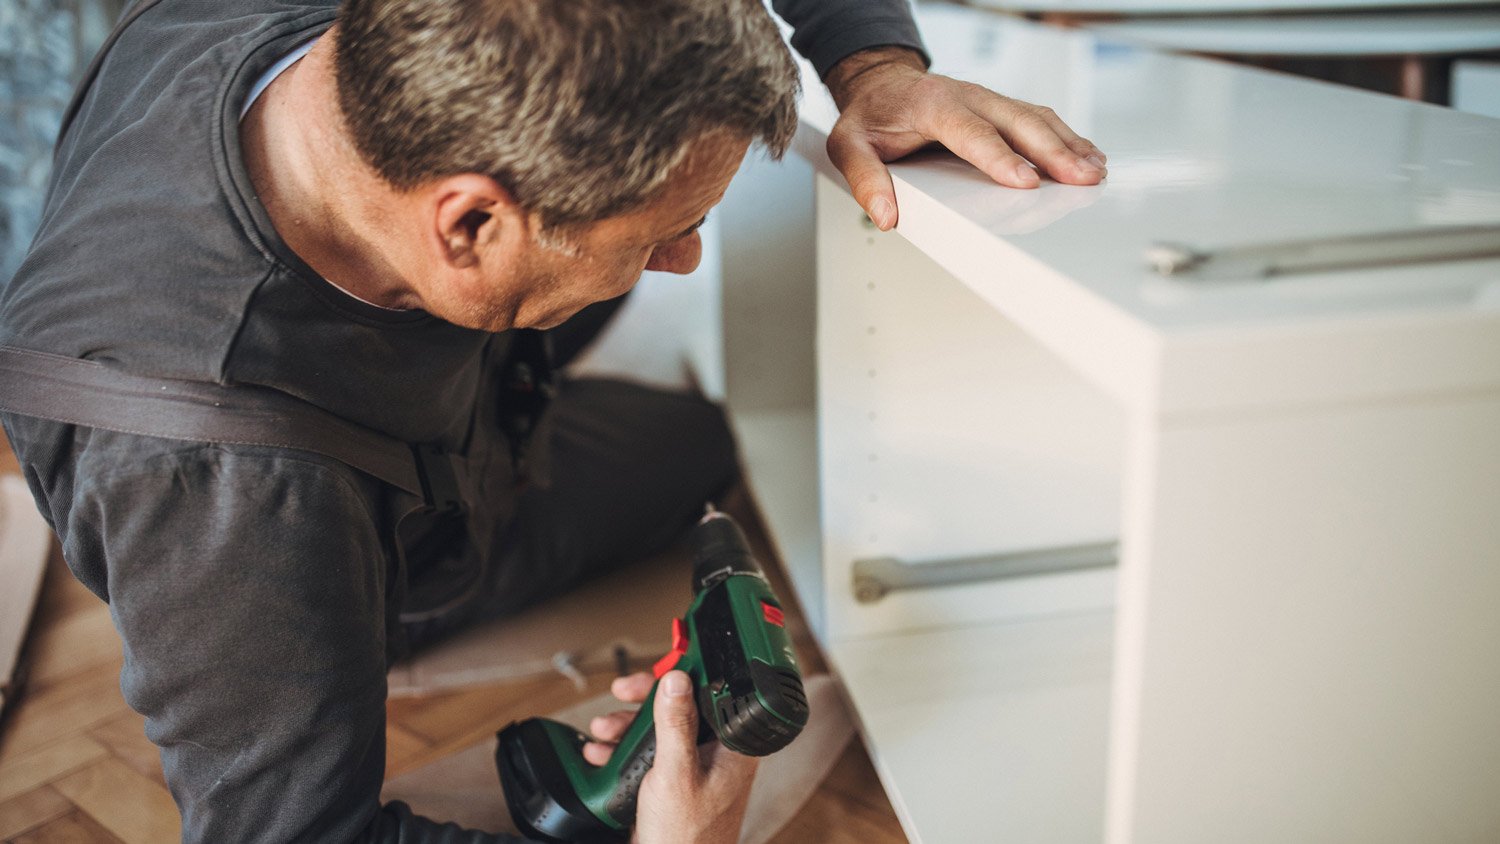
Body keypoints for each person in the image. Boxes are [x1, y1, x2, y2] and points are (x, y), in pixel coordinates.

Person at [0, 0, 1106, 841]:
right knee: (690, 450)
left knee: (701, 444)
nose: (687, 258)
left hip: (468, 386)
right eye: (664, 230)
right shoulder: (234, 507)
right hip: (383, 531)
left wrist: (875, 65)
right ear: (471, 223)